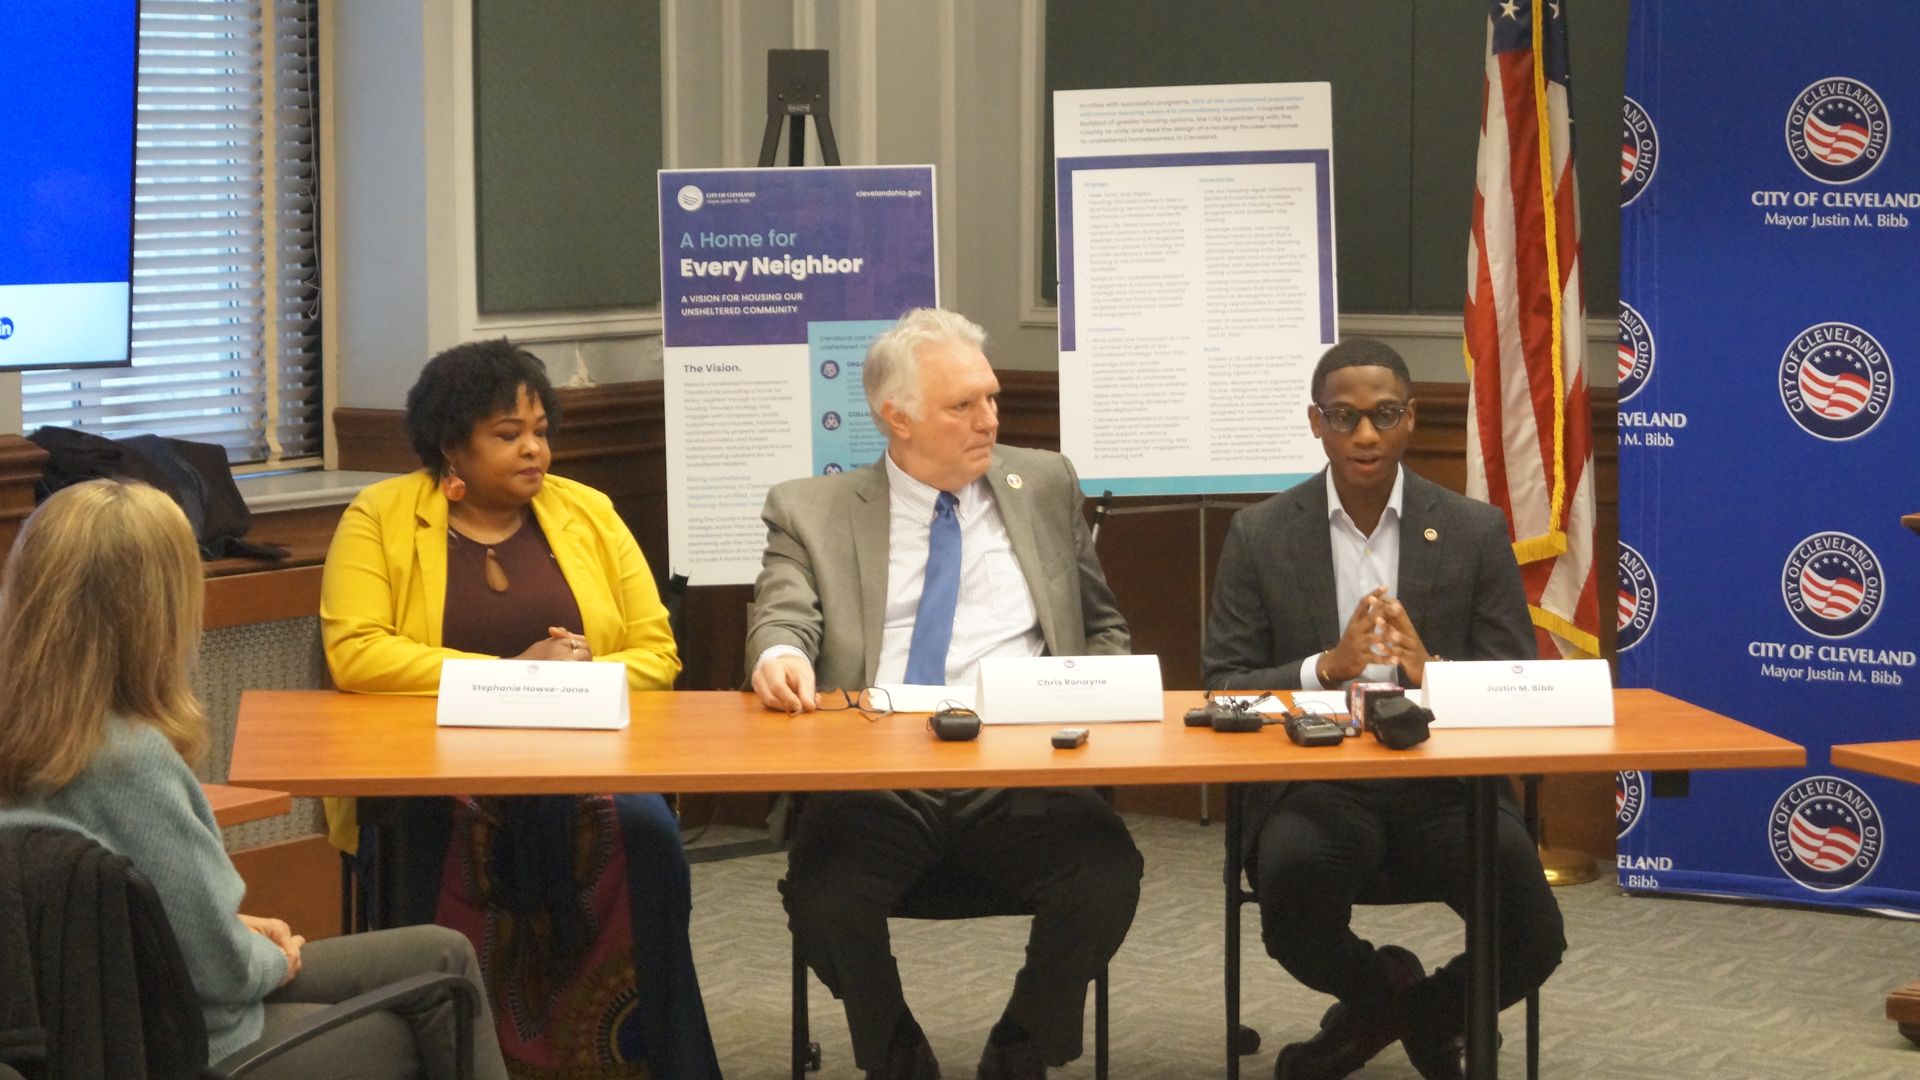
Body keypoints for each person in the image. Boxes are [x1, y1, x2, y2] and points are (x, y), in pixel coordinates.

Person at [747, 308, 1143, 1080]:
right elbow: (782, 615)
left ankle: (1024, 1042)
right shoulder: (811, 510)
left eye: (992, 398)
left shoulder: (1045, 484)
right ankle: (894, 1048)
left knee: (1106, 875)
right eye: (964, 405)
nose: (989, 419)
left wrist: (1087, 706)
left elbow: (1103, 629)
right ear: (896, 417)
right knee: (825, 896)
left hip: (1021, 764)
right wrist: (778, 655)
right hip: (877, 771)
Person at [0, 479, 510, 1079]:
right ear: (156, 611)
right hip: (190, 1040)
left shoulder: (30, 736)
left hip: (91, 1020)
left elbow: (102, 909)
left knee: (442, 953)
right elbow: (222, 974)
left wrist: (238, 929)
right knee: (418, 1022)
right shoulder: (129, 760)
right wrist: (272, 957)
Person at [320, 340, 720, 1078]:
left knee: (647, 834)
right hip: (434, 773)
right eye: (509, 434)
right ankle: (445, 1056)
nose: (534, 449)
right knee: (424, 835)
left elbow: (655, 653)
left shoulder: (587, 513)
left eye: (540, 430)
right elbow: (358, 652)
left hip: (584, 765)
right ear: (452, 445)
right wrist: (510, 676)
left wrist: (575, 678)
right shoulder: (379, 517)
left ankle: (660, 1057)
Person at [1203, 337, 1566, 1080]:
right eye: (1344, 417)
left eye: (1383, 415)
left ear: (1411, 418)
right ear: (1316, 423)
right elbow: (1222, 685)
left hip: (1446, 786)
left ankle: (1411, 1015)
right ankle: (1398, 998)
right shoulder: (1261, 532)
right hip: (1319, 780)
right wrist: (1322, 668)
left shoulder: (1472, 529)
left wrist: (1429, 670)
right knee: (1292, 898)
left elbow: (1515, 678)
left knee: (1533, 933)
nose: (1364, 435)